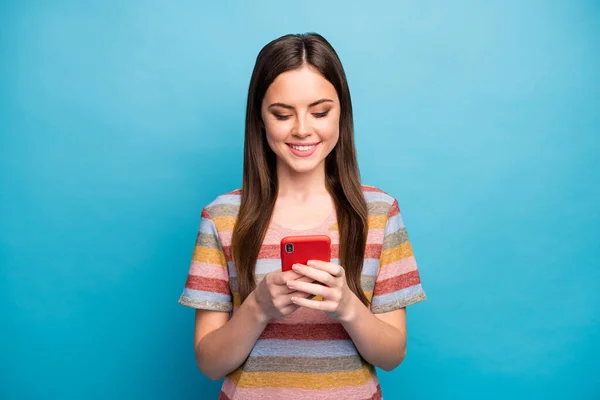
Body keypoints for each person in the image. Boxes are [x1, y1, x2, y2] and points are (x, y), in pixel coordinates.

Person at [178, 32, 427, 400]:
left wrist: (347, 307)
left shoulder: (379, 213)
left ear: (342, 112)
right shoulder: (222, 217)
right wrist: (257, 308)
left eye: (320, 111)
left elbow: (392, 356)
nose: (302, 129)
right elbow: (210, 364)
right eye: (282, 114)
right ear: (260, 119)